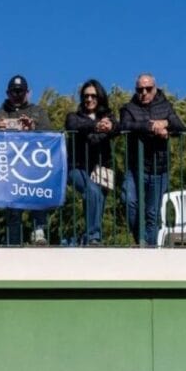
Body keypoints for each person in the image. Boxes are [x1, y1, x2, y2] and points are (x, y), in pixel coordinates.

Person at [117, 73, 185, 247]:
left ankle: (150, 247)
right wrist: (151, 126)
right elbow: (124, 125)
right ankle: (141, 240)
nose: (144, 93)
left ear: (155, 88)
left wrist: (166, 124)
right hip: (135, 167)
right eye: (140, 89)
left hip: (159, 168)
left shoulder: (165, 106)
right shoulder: (129, 108)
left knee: (152, 213)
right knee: (129, 201)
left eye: (148, 89)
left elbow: (180, 127)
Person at [0, 75, 53, 246]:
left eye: (20, 91)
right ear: (7, 93)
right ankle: (13, 241)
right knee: (13, 206)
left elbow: (49, 134)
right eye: (14, 91)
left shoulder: (38, 111)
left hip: (33, 165)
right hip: (8, 167)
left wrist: (33, 127)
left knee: (37, 196)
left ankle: (39, 231)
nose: (17, 94)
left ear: (28, 92)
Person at [64, 79, 115, 246]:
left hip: (101, 168)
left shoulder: (108, 117)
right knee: (91, 189)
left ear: (100, 97)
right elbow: (72, 124)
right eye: (86, 96)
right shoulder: (74, 116)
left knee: (98, 199)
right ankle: (94, 236)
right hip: (77, 168)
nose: (89, 99)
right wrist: (97, 127)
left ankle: (86, 237)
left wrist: (105, 128)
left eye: (93, 95)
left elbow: (117, 127)